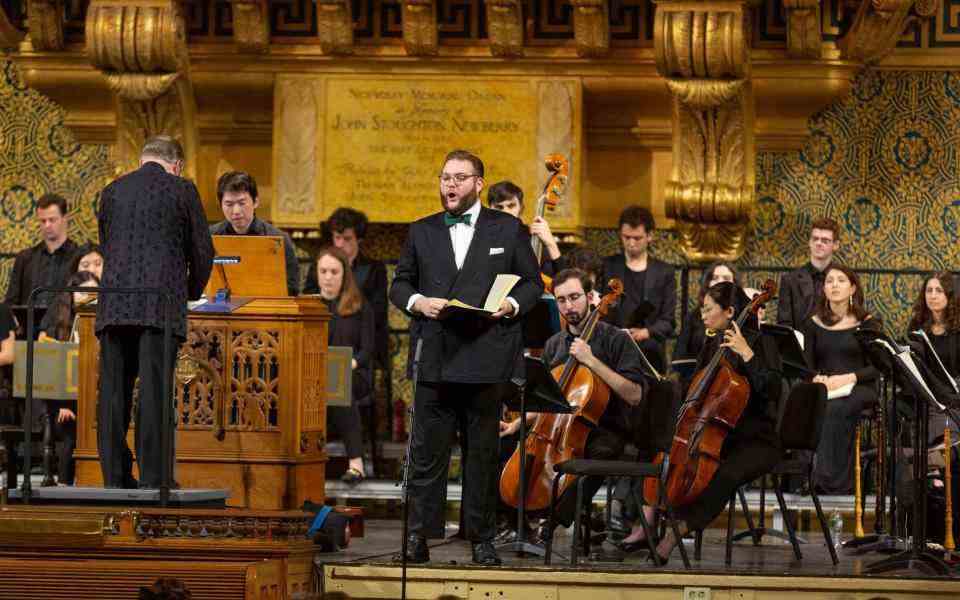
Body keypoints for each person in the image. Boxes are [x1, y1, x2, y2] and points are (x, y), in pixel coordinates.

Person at [389, 149, 543, 566]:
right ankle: (418, 536)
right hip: (436, 357)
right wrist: (418, 302)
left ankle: (481, 538)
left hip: (485, 357)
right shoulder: (421, 231)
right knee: (427, 454)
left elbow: (531, 283)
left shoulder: (508, 229)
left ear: (478, 183)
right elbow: (400, 284)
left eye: (459, 178)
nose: (450, 185)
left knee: (481, 455)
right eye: (444, 178)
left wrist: (510, 306)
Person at [96, 135, 214, 489]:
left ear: (142, 159)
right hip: (159, 305)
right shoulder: (182, 189)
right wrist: (191, 291)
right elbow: (203, 251)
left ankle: (115, 479)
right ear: (176, 165)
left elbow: (106, 242)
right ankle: (154, 479)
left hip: (114, 304)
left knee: (113, 396)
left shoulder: (112, 190)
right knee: (153, 394)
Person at [499, 269, 650, 541]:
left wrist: (591, 360)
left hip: (607, 430)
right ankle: (517, 524)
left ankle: (552, 523)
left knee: (594, 455)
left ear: (591, 297)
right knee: (504, 444)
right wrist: (517, 424)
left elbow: (634, 394)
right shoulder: (554, 345)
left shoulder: (617, 340)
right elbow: (548, 403)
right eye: (561, 300)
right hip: (557, 427)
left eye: (575, 297)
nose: (569, 306)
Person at [652, 282, 782, 564]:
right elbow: (695, 386)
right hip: (715, 434)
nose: (702, 315)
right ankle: (646, 523)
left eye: (708, 309)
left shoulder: (764, 344)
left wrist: (747, 354)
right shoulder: (713, 342)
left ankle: (679, 529)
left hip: (757, 440)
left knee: (726, 474)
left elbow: (773, 390)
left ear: (730, 311)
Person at [801, 264, 880, 494]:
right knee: (812, 403)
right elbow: (805, 365)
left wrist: (848, 378)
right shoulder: (813, 323)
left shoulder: (868, 323)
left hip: (860, 386)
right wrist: (817, 378)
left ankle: (834, 484)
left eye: (841, 280)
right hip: (825, 386)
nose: (834, 285)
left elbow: (877, 367)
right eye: (829, 281)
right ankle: (813, 477)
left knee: (835, 408)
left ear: (852, 287)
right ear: (824, 289)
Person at [315, 246, 376, 485]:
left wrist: (349, 363)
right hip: (315, 375)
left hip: (354, 374)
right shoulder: (307, 305)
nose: (328, 277)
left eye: (334, 271)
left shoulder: (360, 306)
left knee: (339, 382)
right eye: (323, 271)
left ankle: (356, 463)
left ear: (344, 274)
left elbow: (368, 350)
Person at [304, 207, 388, 369]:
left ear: (359, 240)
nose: (341, 244)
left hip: (360, 342)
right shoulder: (320, 265)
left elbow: (378, 314)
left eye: (347, 239)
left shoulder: (374, 269)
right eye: (337, 238)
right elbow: (310, 302)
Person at [35, 270, 98, 485]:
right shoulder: (58, 324)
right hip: (60, 399)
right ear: (71, 296)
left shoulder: (100, 323)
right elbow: (50, 369)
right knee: (71, 431)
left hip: (91, 395)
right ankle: (64, 483)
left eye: (93, 292)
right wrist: (63, 403)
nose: (88, 297)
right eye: (83, 293)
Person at [600, 205, 676, 373]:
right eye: (626, 237)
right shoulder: (608, 267)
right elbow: (600, 313)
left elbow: (669, 321)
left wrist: (646, 332)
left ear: (649, 236)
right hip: (613, 353)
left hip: (650, 355)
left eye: (637, 238)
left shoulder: (664, 272)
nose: (631, 243)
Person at [209, 171, 299, 296]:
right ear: (221, 205)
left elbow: (292, 287)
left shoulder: (278, 238)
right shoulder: (210, 236)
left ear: (255, 201)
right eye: (229, 204)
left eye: (242, 203)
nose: (236, 211)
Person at [3, 193, 81, 312]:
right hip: (28, 327)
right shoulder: (25, 258)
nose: (47, 225)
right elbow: (11, 301)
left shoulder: (79, 257)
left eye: (52, 220)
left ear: (65, 218)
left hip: (64, 327)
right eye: (42, 221)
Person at [673, 261, 740, 390]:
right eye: (715, 278)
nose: (720, 281)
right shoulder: (694, 317)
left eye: (726, 278)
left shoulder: (741, 317)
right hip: (694, 384)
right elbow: (679, 357)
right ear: (707, 284)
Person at [487, 180, 563, 276]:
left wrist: (551, 243)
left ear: (521, 208)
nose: (506, 212)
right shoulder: (480, 238)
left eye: (511, 206)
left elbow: (563, 280)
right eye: (499, 207)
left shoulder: (534, 239)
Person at [777, 217, 840, 330]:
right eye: (815, 239)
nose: (819, 243)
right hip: (799, 345)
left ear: (835, 245)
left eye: (825, 240)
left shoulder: (845, 281)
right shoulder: (790, 280)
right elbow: (784, 325)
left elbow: (850, 320)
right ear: (809, 242)